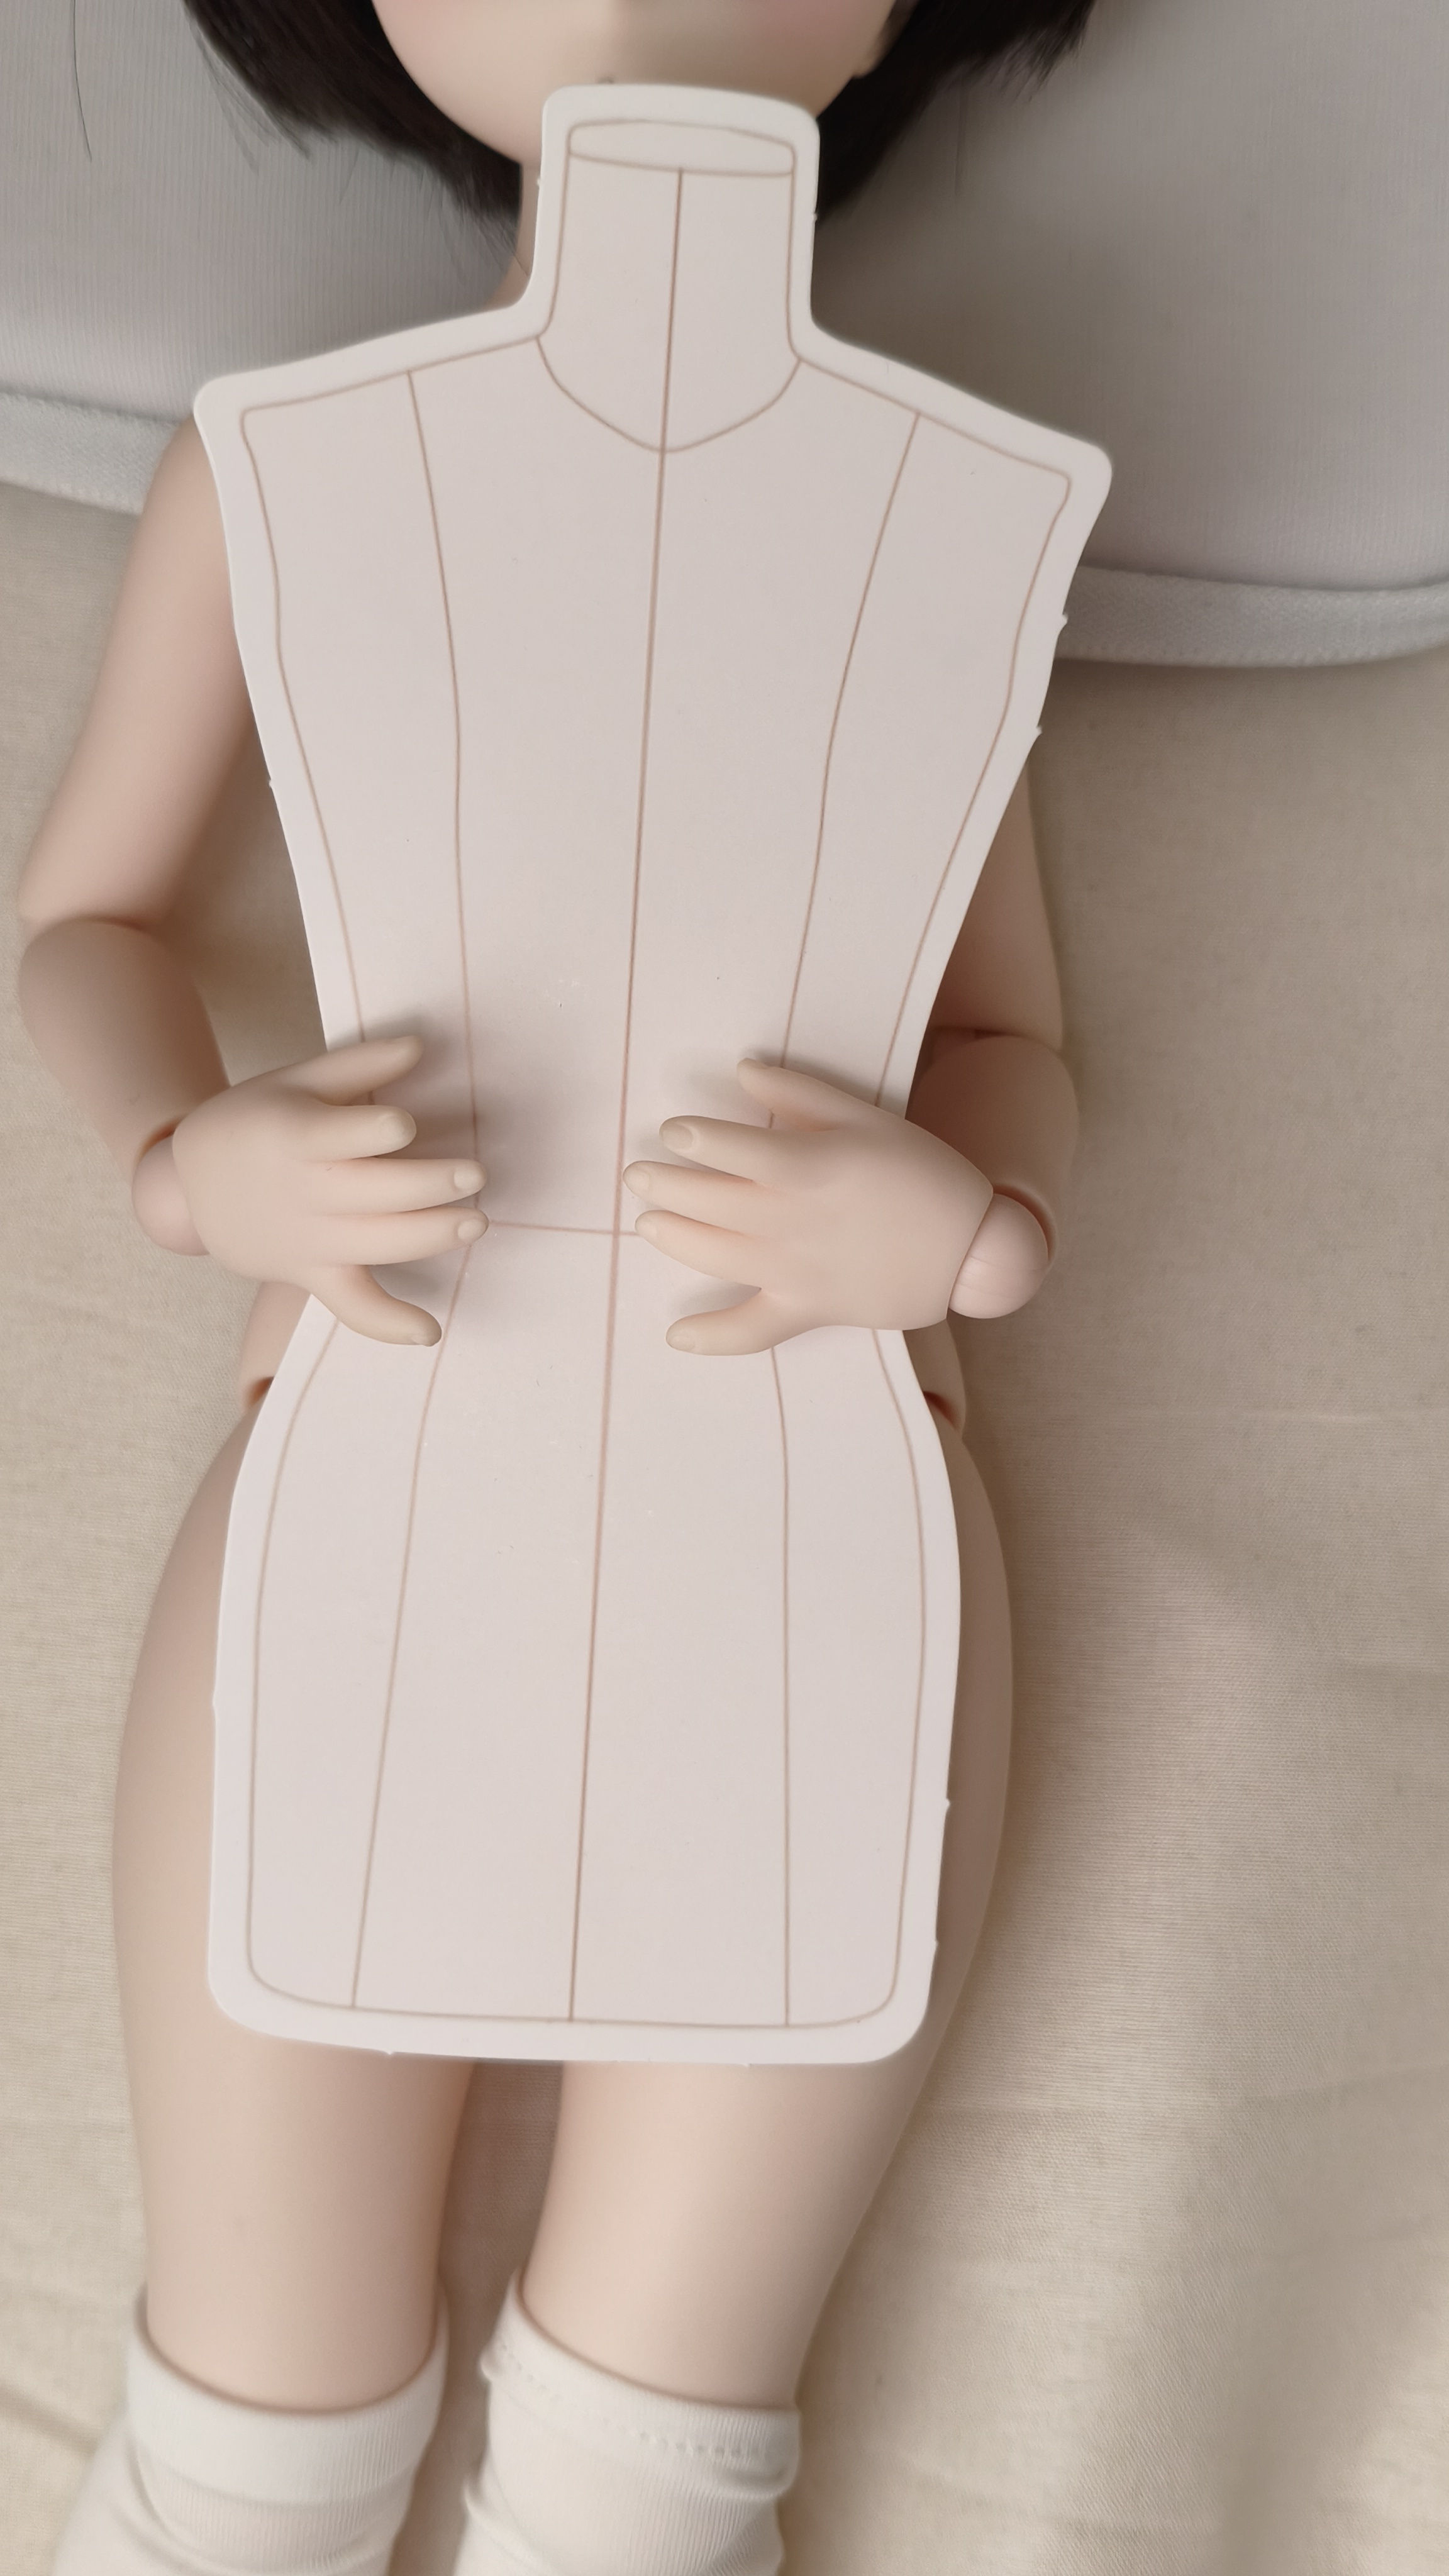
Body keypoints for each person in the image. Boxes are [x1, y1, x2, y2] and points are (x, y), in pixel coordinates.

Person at [16, 6, 1096, 2570]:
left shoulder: (940, 516)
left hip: (818, 1521)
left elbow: (1016, 1039)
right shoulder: (285, 470)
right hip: (375, 1471)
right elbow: (85, 924)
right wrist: (188, 1163)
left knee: (650, 2457)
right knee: (251, 2419)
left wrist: (962, 1227)